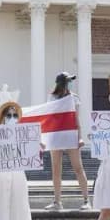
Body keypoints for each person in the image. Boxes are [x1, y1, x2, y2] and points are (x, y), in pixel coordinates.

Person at [45, 72, 91, 211]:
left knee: (78, 167)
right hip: (56, 135)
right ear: (62, 83)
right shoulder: (52, 97)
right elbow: (49, 116)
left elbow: (76, 119)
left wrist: (80, 137)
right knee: (56, 169)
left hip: (70, 133)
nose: (70, 83)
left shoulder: (74, 98)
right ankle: (57, 201)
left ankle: (86, 200)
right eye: (68, 81)